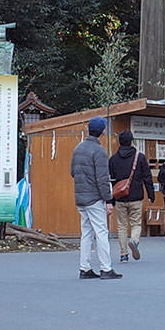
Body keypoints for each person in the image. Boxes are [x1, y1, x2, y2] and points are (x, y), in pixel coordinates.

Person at [70, 116, 123, 280]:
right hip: (94, 198)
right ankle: (106, 268)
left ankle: (84, 268)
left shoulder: (78, 148)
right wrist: (108, 200)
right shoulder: (99, 151)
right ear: (102, 131)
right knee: (101, 232)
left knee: (86, 233)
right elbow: (102, 178)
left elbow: (73, 173)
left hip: (80, 197)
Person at [107, 131, 154, 264]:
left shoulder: (113, 159)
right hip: (136, 196)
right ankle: (134, 241)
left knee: (122, 226)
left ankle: (123, 255)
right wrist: (151, 194)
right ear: (132, 141)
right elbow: (147, 177)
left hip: (120, 197)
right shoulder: (140, 157)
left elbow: (110, 181)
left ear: (120, 142)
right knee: (136, 223)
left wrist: (110, 200)